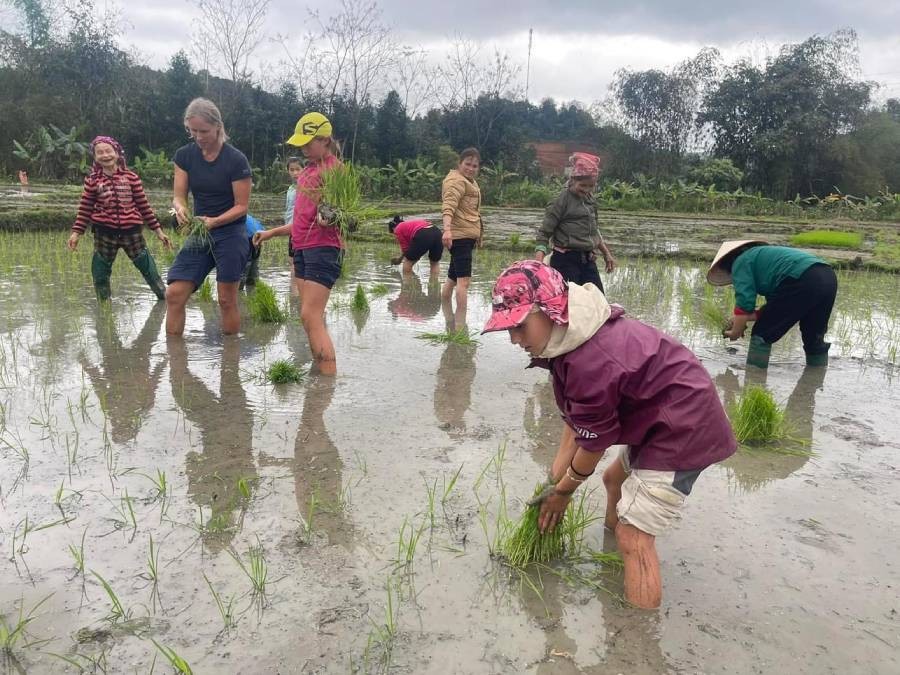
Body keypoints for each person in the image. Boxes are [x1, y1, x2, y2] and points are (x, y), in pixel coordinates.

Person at [482, 260, 737, 609]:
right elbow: (576, 423)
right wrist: (552, 482)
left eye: (520, 327)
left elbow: (593, 444)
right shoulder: (570, 337)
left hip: (683, 429)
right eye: (507, 330)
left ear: (550, 310)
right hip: (661, 417)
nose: (514, 340)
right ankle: (613, 552)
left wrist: (564, 492)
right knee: (613, 477)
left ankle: (636, 637)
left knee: (635, 537)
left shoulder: (590, 361)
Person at [254, 112, 342, 375]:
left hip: (323, 248)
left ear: (325, 140)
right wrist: (271, 233)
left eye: (308, 143)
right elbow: (301, 222)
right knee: (308, 317)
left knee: (310, 315)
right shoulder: (307, 173)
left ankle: (327, 384)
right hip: (302, 248)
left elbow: (342, 212)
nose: (302, 148)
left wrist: (331, 217)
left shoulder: (335, 170)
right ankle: (319, 376)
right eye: (300, 143)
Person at [166, 97, 253, 336]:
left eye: (203, 131)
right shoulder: (184, 156)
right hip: (200, 231)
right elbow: (179, 196)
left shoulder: (236, 160)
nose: (198, 136)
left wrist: (215, 221)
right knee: (174, 295)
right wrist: (180, 208)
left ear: (218, 126)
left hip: (230, 232)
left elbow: (241, 206)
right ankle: (176, 366)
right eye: (192, 131)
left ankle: (230, 365)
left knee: (226, 300)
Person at [67, 136, 172, 301]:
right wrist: (76, 233)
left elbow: (144, 207)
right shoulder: (92, 181)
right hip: (104, 233)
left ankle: (164, 299)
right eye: (99, 152)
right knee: (100, 271)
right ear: (95, 157)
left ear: (117, 153)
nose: (105, 155)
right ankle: (104, 309)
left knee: (148, 268)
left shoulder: (131, 178)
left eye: (108, 151)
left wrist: (158, 231)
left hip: (132, 232)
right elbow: (85, 209)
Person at [707, 240, 837, 368]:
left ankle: (754, 378)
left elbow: (745, 302)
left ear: (726, 264)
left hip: (800, 278)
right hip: (828, 276)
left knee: (762, 333)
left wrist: (736, 331)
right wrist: (740, 320)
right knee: (813, 336)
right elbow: (774, 309)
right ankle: (816, 379)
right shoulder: (764, 259)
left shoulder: (741, 261)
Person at [535, 152, 615, 291]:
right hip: (565, 261)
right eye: (583, 185)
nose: (587, 190)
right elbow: (544, 234)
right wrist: (537, 265)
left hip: (587, 260)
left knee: (597, 301)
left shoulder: (590, 200)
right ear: (573, 180)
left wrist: (606, 254)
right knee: (572, 304)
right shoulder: (560, 201)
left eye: (591, 186)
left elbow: (594, 230)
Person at [441, 147, 483, 322]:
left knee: (452, 278)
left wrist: (478, 235)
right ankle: (460, 326)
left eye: (475, 165)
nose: (471, 168)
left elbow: (472, 211)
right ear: (459, 163)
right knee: (463, 282)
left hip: (465, 236)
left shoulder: (468, 181)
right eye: (467, 164)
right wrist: (447, 230)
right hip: (460, 237)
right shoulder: (456, 181)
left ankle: (447, 316)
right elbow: (448, 205)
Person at [284, 157, 304, 294]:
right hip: (290, 228)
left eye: (298, 169)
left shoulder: (305, 187)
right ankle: (293, 290)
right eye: (292, 170)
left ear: (304, 169)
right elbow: (288, 209)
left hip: (300, 228)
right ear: (288, 171)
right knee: (292, 260)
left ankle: (297, 291)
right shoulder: (291, 188)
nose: (295, 172)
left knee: (298, 261)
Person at [240, 214, 264, 289]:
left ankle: (239, 292)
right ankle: (253, 292)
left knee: (244, 268)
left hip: (248, 238)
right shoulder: (245, 215)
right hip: (258, 235)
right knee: (253, 269)